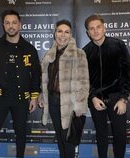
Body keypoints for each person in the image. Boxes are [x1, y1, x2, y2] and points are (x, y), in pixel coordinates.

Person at [0, 10, 41, 158]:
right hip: (0, 98)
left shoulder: (29, 49)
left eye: (14, 22)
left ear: (20, 25)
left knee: (21, 133)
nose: (11, 26)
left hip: (21, 99)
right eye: (7, 23)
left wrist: (34, 97)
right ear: (3, 25)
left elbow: (36, 74)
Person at [39, 19, 89, 158]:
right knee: (60, 139)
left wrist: (79, 106)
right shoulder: (49, 54)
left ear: (71, 34)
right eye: (60, 31)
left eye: (66, 32)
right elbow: (45, 79)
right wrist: (42, 96)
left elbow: (84, 83)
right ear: (55, 33)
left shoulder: (79, 54)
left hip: (70, 104)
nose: (63, 35)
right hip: (53, 102)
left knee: (68, 141)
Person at [83, 14, 130, 158]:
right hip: (96, 100)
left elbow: (127, 73)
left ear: (104, 28)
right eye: (92, 28)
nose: (95, 31)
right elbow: (83, 80)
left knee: (120, 136)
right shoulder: (84, 52)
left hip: (117, 98)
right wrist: (92, 98)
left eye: (98, 27)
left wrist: (124, 98)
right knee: (101, 135)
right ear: (88, 32)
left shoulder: (118, 45)